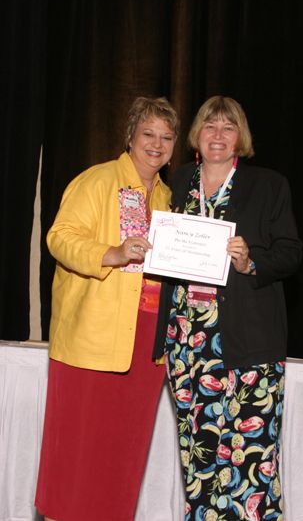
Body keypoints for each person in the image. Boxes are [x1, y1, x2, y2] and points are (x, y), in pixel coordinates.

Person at [153, 95, 302, 521]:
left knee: (250, 461)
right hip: (186, 347)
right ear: (196, 136)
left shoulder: (268, 184)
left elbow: (291, 253)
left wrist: (250, 259)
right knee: (199, 458)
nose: (218, 135)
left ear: (241, 138)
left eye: (228, 127)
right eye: (210, 126)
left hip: (249, 344)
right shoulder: (177, 182)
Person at [35, 96, 179, 521]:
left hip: (146, 343)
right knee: (78, 453)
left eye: (166, 137)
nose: (156, 144)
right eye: (148, 134)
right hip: (93, 340)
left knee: (123, 453)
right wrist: (111, 253)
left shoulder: (168, 197)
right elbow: (59, 237)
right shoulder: (97, 181)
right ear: (130, 136)